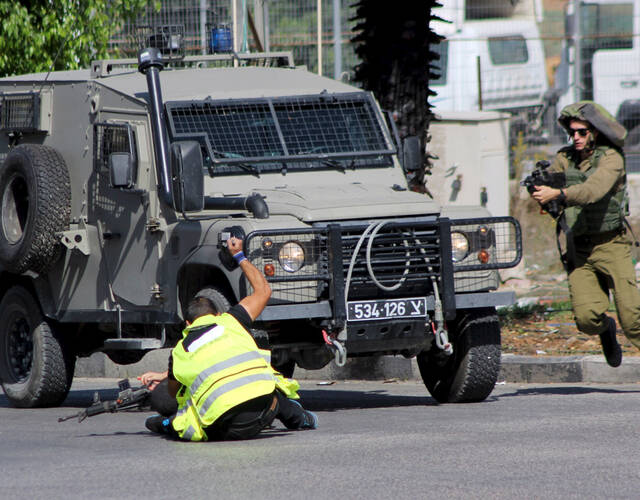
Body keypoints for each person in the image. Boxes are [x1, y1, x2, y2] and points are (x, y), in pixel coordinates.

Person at [140, 235, 317, 441]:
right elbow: (264, 290)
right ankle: (302, 419)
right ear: (216, 315)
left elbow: (174, 393)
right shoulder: (232, 320)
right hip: (265, 413)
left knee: (185, 420)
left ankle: (164, 423)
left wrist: (167, 377)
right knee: (272, 391)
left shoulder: (180, 350)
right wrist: (240, 256)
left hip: (224, 429)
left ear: (188, 324)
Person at [531, 100, 640, 367]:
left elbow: (593, 190)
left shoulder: (611, 159)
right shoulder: (565, 158)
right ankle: (606, 329)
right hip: (579, 248)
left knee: (633, 318)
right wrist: (540, 187)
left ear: (595, 132)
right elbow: (550, 179)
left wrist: (560, 193)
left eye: (582, 132)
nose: (576, 138)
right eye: (572, 133)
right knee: (586, 319)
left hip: (612, 244)